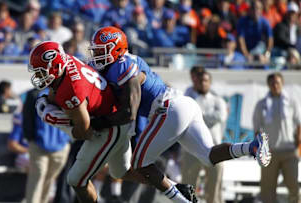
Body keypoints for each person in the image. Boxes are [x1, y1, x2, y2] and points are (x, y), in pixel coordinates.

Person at [87, 26, 271, 203]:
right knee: (208, 156)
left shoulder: (122, 65)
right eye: (95, 50)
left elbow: (129, 113)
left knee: (140, 163)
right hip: (183, 105)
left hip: (168, 109)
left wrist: (96, 124)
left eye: (101, 50)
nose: (96, 55)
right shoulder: (117, 65)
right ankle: (251, 147)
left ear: (116, 49)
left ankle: (182, 199)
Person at [28, 41, 195, 203]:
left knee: (76, 180)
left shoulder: (70, 90)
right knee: (122, 172)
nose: (38, 76)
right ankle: (176, 188)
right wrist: (49, 100)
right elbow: (58, 89)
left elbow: (85, 132)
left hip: (109, 127)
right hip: (115, 120)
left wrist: (56, 120)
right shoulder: (68, 61)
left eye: (41, 72)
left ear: (56, 67)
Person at [253, 72, 301, 203]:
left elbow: (298, 123)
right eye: (272, 83)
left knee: (293, 184)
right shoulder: (262, 104)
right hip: (269, 152)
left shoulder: (291, 102)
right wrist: (260, 150)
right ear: (268, 85)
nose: (275, 85)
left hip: (289, 150)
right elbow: (257, 128)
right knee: (267, 188)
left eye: (277, 82)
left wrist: (298, 142)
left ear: (282, 83)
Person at [182, 71, 227, 203]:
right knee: (188, 186)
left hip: (214, 148)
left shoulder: (218, 101)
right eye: (200, 81)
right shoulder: (189, 100)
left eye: (205, 81)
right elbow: (186, 118)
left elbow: (220, 117)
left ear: (210, 82)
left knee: (214, 186)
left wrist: (198, 118)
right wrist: (203, 118)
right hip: (191, 149)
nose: (202, 83)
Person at [22, 88, 71, 203]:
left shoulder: (67, 91)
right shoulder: (33, 94)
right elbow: (27, 118)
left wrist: (67, 141)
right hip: (38, 145)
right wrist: (31, 140)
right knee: (37, 177)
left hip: (61, 147)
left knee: (49, 180)